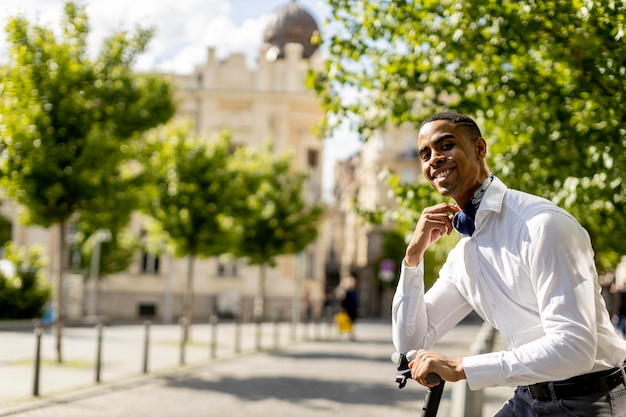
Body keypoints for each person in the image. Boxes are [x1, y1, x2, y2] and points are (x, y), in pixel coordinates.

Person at [392, 112, 626, 416]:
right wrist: (413, 258)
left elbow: (574, 348)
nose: (434, 159)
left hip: (589, 398)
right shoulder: (464, 255)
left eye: (446, 146)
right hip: (529, 396)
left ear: (479, 148)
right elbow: (411, 342)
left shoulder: (541, 225)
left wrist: (462, 367)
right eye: (425, 154)